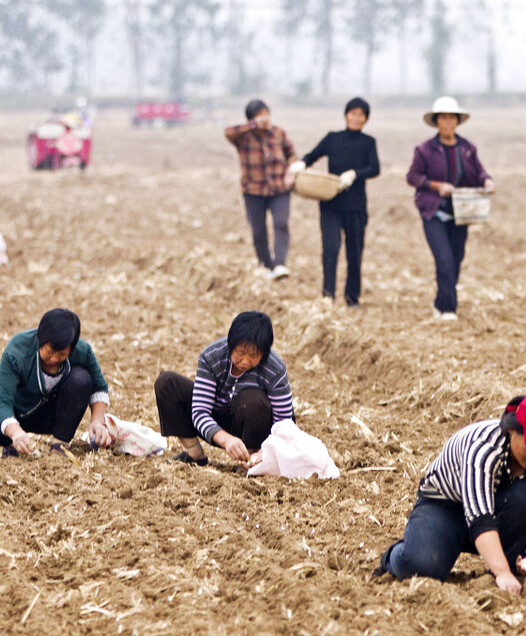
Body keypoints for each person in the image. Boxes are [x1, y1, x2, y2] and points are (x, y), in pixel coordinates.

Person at [373, 395, 526, 596]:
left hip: (499, 506)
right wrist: (501, 572)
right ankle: (394, 556)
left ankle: (506, 564)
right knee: (422, 567)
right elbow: (480, 519)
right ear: (512, 429)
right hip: (446, 508)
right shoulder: (484, 447)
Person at [154, 310, 294, 468]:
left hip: (251, 422)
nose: (246, 361)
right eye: (241, 353)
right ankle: (194, 453)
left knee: (253, 400)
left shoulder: (274, 369)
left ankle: (251, 458)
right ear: (231, 343)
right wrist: (226, 440)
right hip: (216, 419)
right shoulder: (212, 357)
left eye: (254, 356)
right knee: (167, 383)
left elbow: (284, 423)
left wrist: (265, 451)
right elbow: (200, 411)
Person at [0, 308, 114, 457]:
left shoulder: (82, 351)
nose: (54, 359)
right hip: (14, 410)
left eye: (62, 354)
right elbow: (2, 401)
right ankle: (12, 446)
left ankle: (60, 445)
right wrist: (15, 432)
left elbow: (99, 387)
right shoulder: (17, 350)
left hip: (50, 414)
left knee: (82, 378)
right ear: (40, 339)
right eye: (50, 352)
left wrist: (97, 421)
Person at [405, 97, 496, 321]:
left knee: (456, 259)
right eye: (443, 118)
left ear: (457, 121)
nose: (448, 122)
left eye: (452, 118)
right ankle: (449, 310)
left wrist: (487, 181)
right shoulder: (425, 149)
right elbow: (413, 177)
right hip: (433, 212)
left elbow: (479, 172)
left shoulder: (467, 148)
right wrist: (436, 186)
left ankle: (440, 302)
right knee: (443, 259)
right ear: (436, 121)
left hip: (461, 213)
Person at [289, 97, 381, 307]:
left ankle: (352, 297)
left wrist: (354, 174)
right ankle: (327, 295)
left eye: (361, 115)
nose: (356, 118)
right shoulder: (333, 138)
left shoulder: (369, 142)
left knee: (354, 252)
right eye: (353, 113)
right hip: (331, 203)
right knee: (330, 249)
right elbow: (313, 155)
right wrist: (301, 163)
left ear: (366, 119)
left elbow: (375, 168)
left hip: (356, 207)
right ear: (346, 114)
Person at [225, 100, 297, 281]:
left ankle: (280, 264)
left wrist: (291, 172)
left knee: (281, 224)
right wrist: (252, 126)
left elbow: (292, 154)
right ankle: (265, 265)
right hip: (253, 190)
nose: (264, 118)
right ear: (251, 118)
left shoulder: (278, 133)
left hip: (279, 189)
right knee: (258, 231)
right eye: (259, 115)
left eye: (266, 114)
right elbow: (228, 133)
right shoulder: (244, 136)